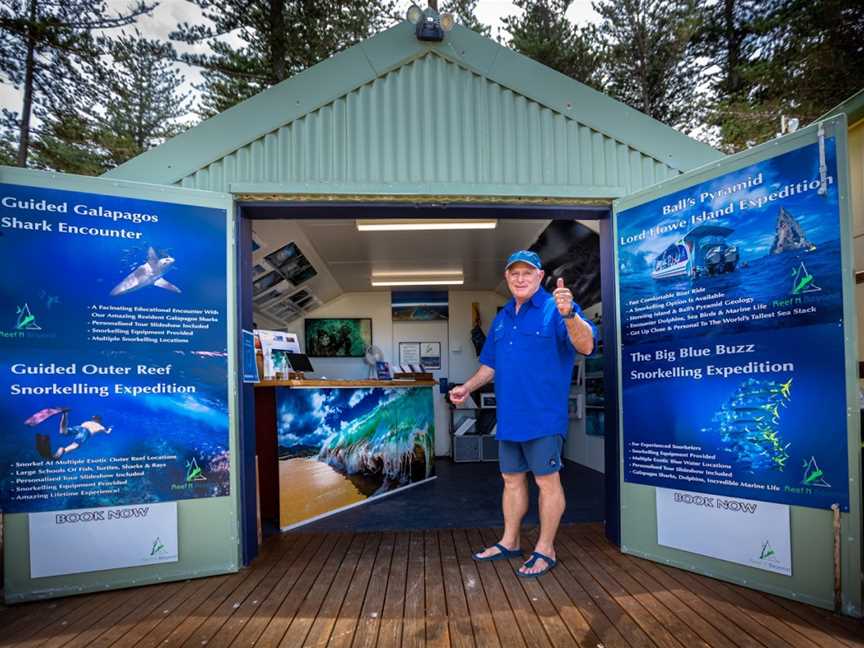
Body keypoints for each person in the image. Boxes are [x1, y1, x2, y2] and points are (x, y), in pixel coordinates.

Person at [449, 250, 596, 578]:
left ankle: (546, 548)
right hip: (510, 418)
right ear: (506, 277)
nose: (520, 278)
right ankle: (510, 541)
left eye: (527, 272)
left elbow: (586, 346)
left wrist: (569, 313)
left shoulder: (555, 309)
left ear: (540, 276)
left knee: (547, 481)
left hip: (543, 416)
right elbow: (490, 364)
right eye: (513, 273)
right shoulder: (503, 317)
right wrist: (467, 387)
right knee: (511, 480)